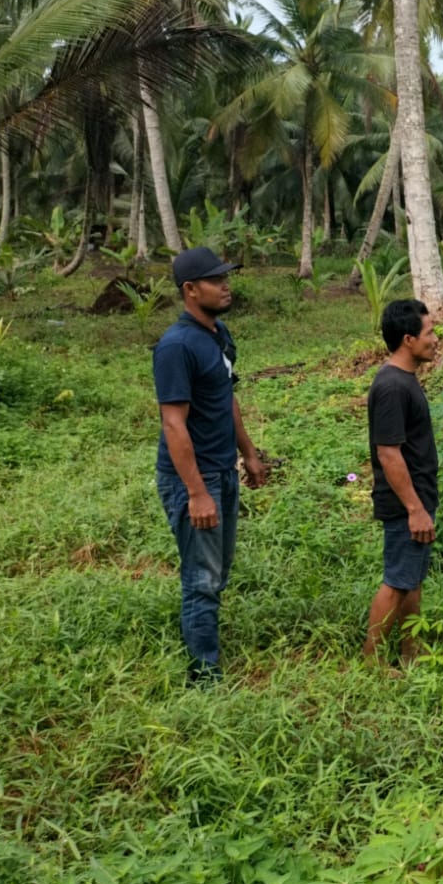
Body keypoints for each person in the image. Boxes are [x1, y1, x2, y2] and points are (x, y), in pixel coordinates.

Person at [153, 246, 268, 687]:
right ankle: (204, 678)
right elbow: (173, 423)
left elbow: (226, 397)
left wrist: (249, 453)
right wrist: (197, 492)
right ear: (189, 289)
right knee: (202, 578)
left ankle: (204, 645)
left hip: (222, 469)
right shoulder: (176, 346)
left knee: (218, 570)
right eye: (215, 279)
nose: (226, 285)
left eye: (227, 277)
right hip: (194, 479)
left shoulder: (217, 334)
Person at [363, 299, 441, 668]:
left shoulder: (404, 381)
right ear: (408, 339)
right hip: (405, 503)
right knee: (396, 582)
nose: (436, 339)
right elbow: (388, 454)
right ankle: (372, 664)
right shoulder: (392, 387)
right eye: (429, 333)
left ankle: (412, 651)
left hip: (417, 498)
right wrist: (414, 509)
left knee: (411, 580)